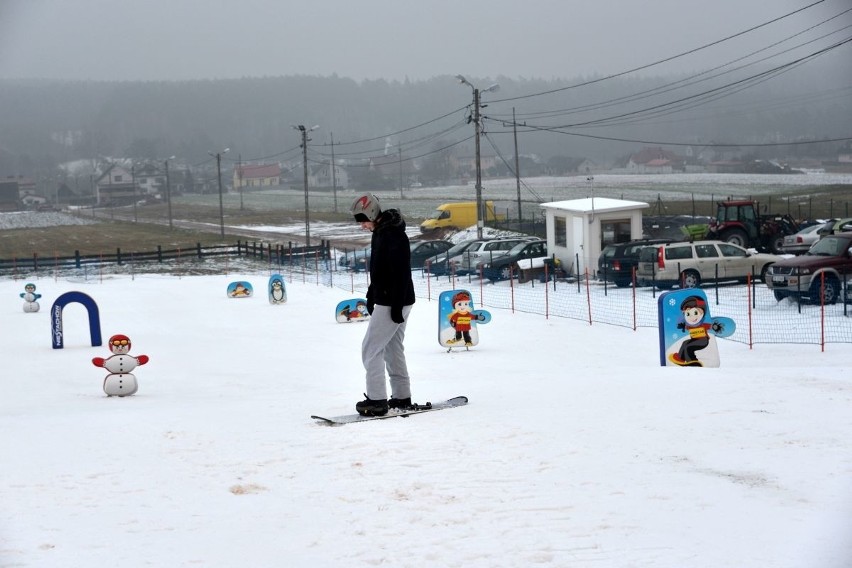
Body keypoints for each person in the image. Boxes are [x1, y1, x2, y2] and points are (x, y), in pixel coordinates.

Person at [350, 194, 416, 416]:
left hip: (393, 301)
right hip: (394, 299)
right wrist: (371, 294)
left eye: (362, 220)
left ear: (370, 213)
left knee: (371, 349)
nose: (362, 225)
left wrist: (395, 305)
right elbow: (380, 271)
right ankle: (401, 396)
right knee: (392, 347)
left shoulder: (393, 235)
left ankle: (377, 400)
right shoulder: (381, 232)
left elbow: (401, 273)